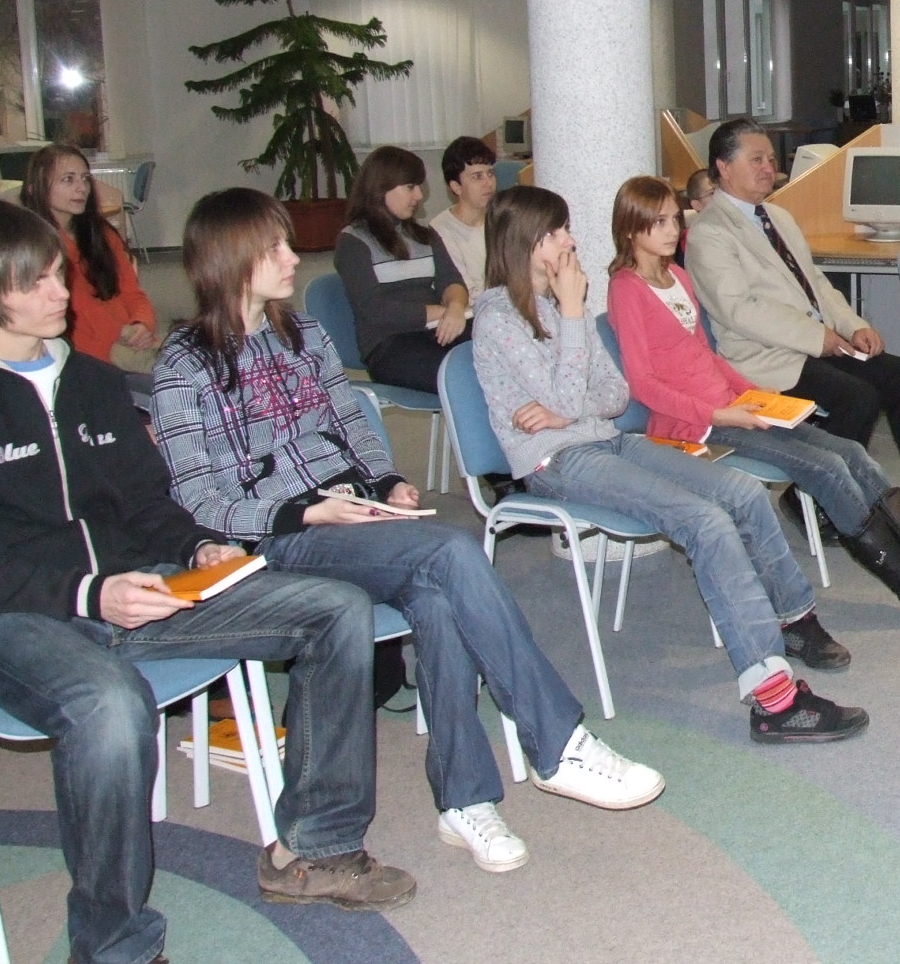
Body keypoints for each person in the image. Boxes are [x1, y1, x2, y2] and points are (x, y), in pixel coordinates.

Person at [0, 197, 415, 964]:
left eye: (56, 273)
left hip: (140, 590)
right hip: (14, 620)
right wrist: (89, 593)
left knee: (335, 610)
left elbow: (148, 502)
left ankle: (314, 849)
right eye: (34, 282)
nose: (60, 291)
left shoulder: (93, 383)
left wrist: (199, 544)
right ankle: (110, 955)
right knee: (109, 707)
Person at [153, 188, 662, 877]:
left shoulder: (304, 335)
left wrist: (386, 481)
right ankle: (557, 741)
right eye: (274, 247)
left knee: (440, 598)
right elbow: (197, 493)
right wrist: (304, 513)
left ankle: (465, 801)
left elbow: (353, 421)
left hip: (355, 516)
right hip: (280, 535)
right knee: (452, 552)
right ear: (230, 258)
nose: (291, 256)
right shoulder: (187, 362)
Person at [473, 185, 867, 744]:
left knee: (740, 492)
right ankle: (774, 702)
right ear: (525, 242)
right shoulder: (498, 318)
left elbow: (613, 394)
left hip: (606, 440)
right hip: (556, 461)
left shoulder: (561, 309)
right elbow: (568, 398)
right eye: (556, 232)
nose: (569, 241)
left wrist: (565, 405)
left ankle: (794, 619)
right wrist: (573, 324)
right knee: (704, 521)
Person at [606, 175, 900, 627]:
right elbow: (642, 383)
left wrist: (750, 394)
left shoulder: (676, 277)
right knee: (827, 467)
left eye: (672, 219)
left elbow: (706, 355)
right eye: (658, 222)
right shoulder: (626, 288)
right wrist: (720, 412)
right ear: (631, 229)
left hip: (732, 405)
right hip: (694, 423)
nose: (672, 229)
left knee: (852, 453)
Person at [685, 119, 900, 530]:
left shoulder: (777, 217)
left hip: (814, 343)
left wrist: (852, 324)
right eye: (756, 160)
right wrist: (818, 337)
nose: (769, 167)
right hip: (765, 357)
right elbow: (740, 310)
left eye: (770, 159)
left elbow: (816, 283)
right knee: (856, 397)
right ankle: (812, 497)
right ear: (723, 167)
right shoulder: (710, 231)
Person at [333, 144, 471, 391]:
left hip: (436, 331)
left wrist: (456, 307)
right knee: (467, 375)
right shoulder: (353, 241)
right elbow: (375, 310)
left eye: (418, 186)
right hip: (389, 345)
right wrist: (441, 312)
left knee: (499, 354)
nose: (419, 196)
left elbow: (452, 281)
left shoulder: (426, 236)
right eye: (410, 187)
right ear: (381, 187)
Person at [19, 143, 158, 375]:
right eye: (68, 179)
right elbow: (76, 313)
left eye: (85, 179)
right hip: (88, 356)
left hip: (130, 342)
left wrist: (141, 324)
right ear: (36, 189)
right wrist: (121, 333)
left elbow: (132, 293)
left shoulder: (101, 234)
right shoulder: (32, 247)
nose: (81, 188)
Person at [429, 134, 499, 301]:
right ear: (456, 187)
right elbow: (465, 293)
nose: (489, 183)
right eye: (477, 176)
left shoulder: (502, 219)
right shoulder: (441, 230)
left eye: (490, 174)